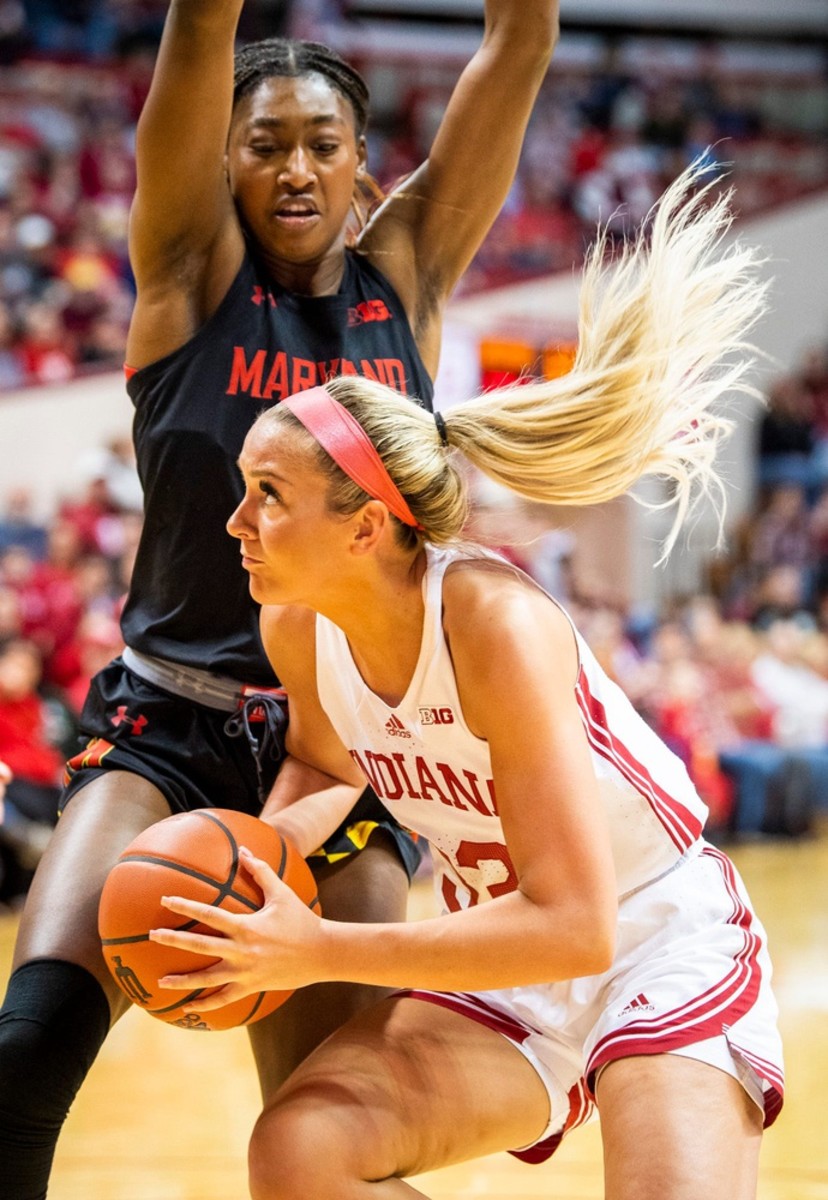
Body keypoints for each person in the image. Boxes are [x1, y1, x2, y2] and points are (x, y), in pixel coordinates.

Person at [0, 2, 560, 1196]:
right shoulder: (188, 277)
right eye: (264, 145)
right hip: (169, 728)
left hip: (350, 752)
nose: (296, 167)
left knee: (320, 1151)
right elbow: (203, 25)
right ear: (224, 164)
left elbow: (518, 42)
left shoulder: (404, 278)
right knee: (25, 1055)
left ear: (364, 165)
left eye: (322, 142)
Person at [151, 165, 784, 1199]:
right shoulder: (296, 626)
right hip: (507, 956)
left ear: (364, 526)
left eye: (267, 495)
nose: (235, 522)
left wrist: (316, 947)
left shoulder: (494, 621)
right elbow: (320, 759)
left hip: (650, 934)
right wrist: (250, 863)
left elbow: (579, 923)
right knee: (300, 1152)